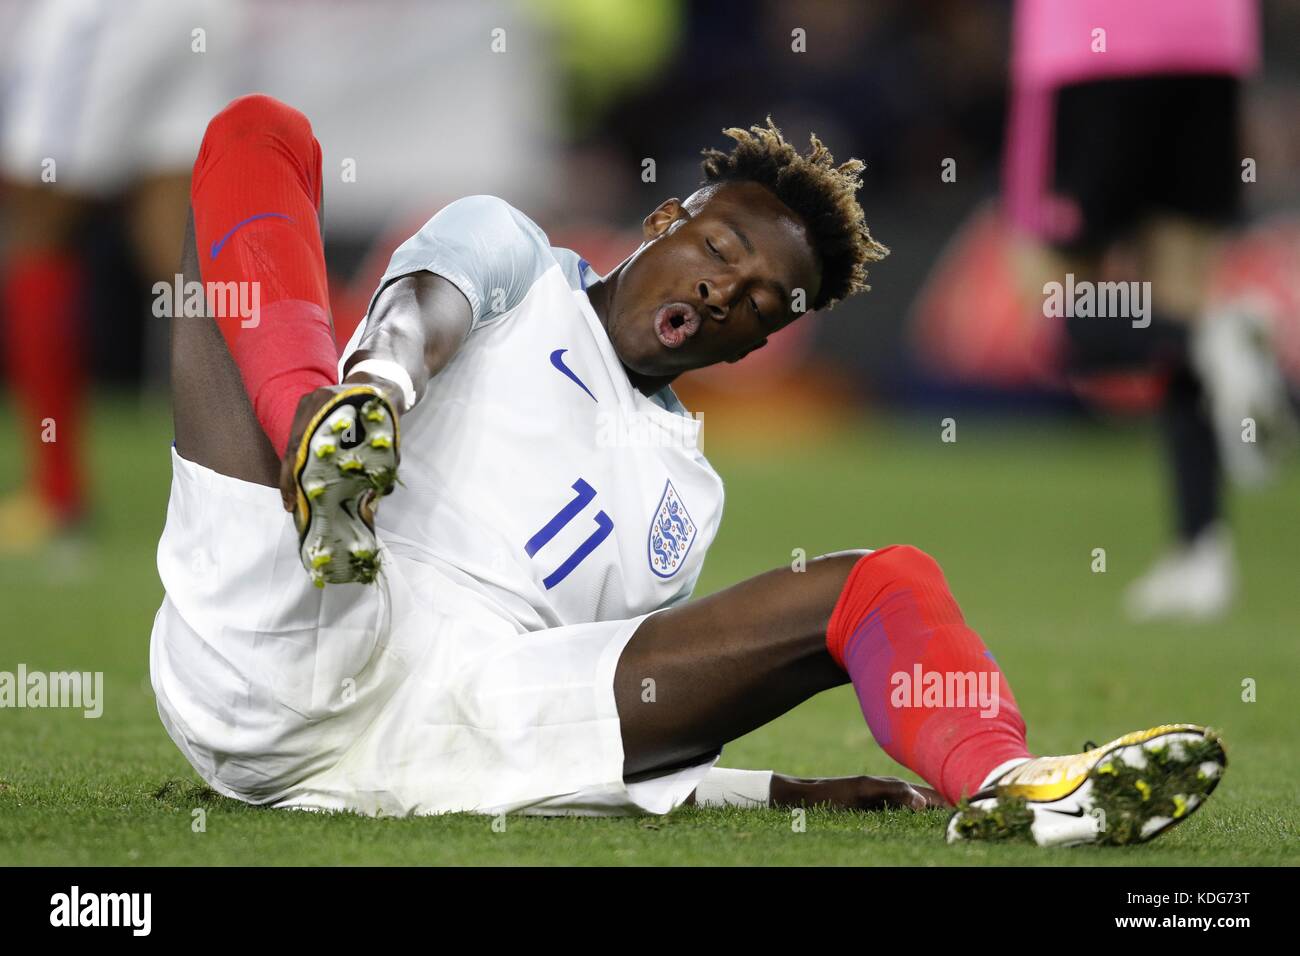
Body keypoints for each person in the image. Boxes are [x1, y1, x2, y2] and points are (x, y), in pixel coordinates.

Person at [151, 94, 1225, 847]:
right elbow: (421, 309)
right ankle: (322, 429)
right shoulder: (518, 258)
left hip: (449, 728)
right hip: (298, 616)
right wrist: (375, 391)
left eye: (760, 302)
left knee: (876, 577)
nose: (729, 295)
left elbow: (598, 721)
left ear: (760, 345)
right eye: (719, 256)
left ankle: (1011, 783)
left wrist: (775, 788)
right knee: (260, 138)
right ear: (665, 222)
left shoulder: (685, 494)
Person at [1003, 0, 1293, 621]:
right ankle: (1201, 554)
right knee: (1182, 296)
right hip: (1211, 43)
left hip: (1091, 44)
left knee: (1056, 314)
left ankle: (1211, 338)